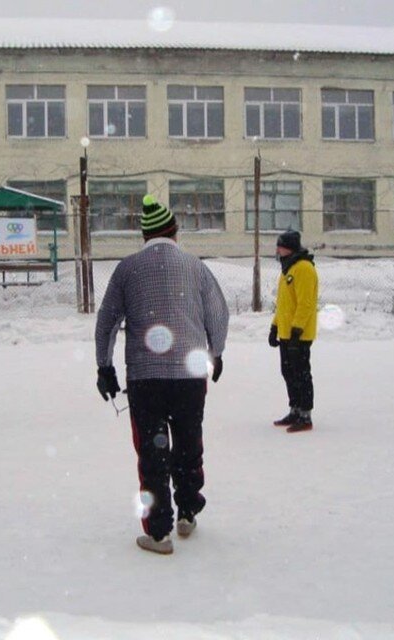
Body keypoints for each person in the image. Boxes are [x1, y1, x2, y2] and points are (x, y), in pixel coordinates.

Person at [94, 194, 229, 555]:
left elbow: (106, 321)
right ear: (174, 231)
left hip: (146, 378)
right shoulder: (195, 267)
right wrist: (216, 352)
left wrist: (104, 366)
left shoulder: (128, 269)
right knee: (189, 445)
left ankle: (158, 533)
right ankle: (187, 512)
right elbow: (218, 313)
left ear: (144, 235)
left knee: (152, 454)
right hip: (189, 375)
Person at [269, 229, 319, 433]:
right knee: (288, 372)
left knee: (301, 373)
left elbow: (306, 303)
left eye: (280, 245)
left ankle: (306, 414)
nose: (277, 249)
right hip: (286, 333)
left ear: (288, 247)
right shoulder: (288, 269)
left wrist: (297, 329)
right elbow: (284, 305)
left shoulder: (304, 268)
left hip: (299, 335)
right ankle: (295, 409)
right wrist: (275, 327)